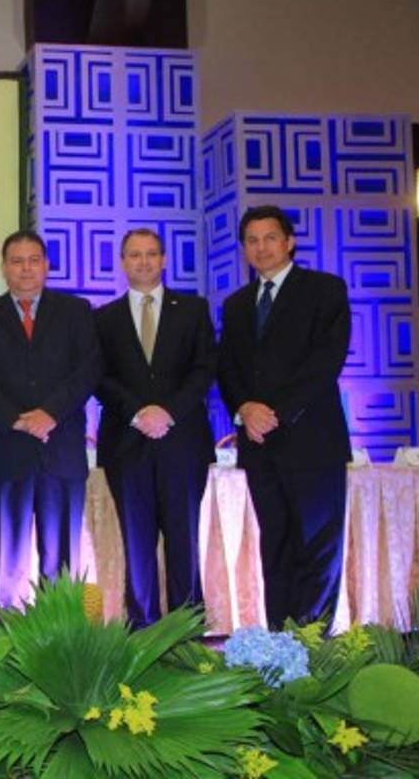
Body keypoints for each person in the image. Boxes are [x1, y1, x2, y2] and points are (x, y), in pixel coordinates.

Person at [218, 205, 351, 630]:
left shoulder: (324, 290)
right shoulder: (237, 304)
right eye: (252, 240)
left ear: (289, 241)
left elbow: (325, 362)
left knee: (317, 547)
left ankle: (314, 643)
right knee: (274, 548)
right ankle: (280, 640)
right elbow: (228, 369)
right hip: (259, 446)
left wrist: (276, 413)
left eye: (270, 237)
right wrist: (244, 408)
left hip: (311, 441)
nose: (261, 247)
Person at [0, 230, 100, 607]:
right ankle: (8, 636)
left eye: (33, 260)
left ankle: (58, 635)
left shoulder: (76, 311)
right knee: (8, 554)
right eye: (16, 261)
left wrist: (50, 414)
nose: (25, 269)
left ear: (45, 266)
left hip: (61, 449)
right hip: (9, 449)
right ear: (3, 268)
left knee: (61, 556)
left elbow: (88, 371)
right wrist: (18, 419)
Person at [94, 228, 215, 628]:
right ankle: (143, 631)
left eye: (150, 254)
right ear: (123, 262)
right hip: (127, 444)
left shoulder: (193, 310)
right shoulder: (104, 318)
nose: (143, 261)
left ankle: (186, 631)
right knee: (137, 543)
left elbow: (203, 371)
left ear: (163, 260)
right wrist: (138, 413)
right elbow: (99, 377)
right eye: (134, 255)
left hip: (183, 442)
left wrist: (166, 412)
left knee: (184, 539)